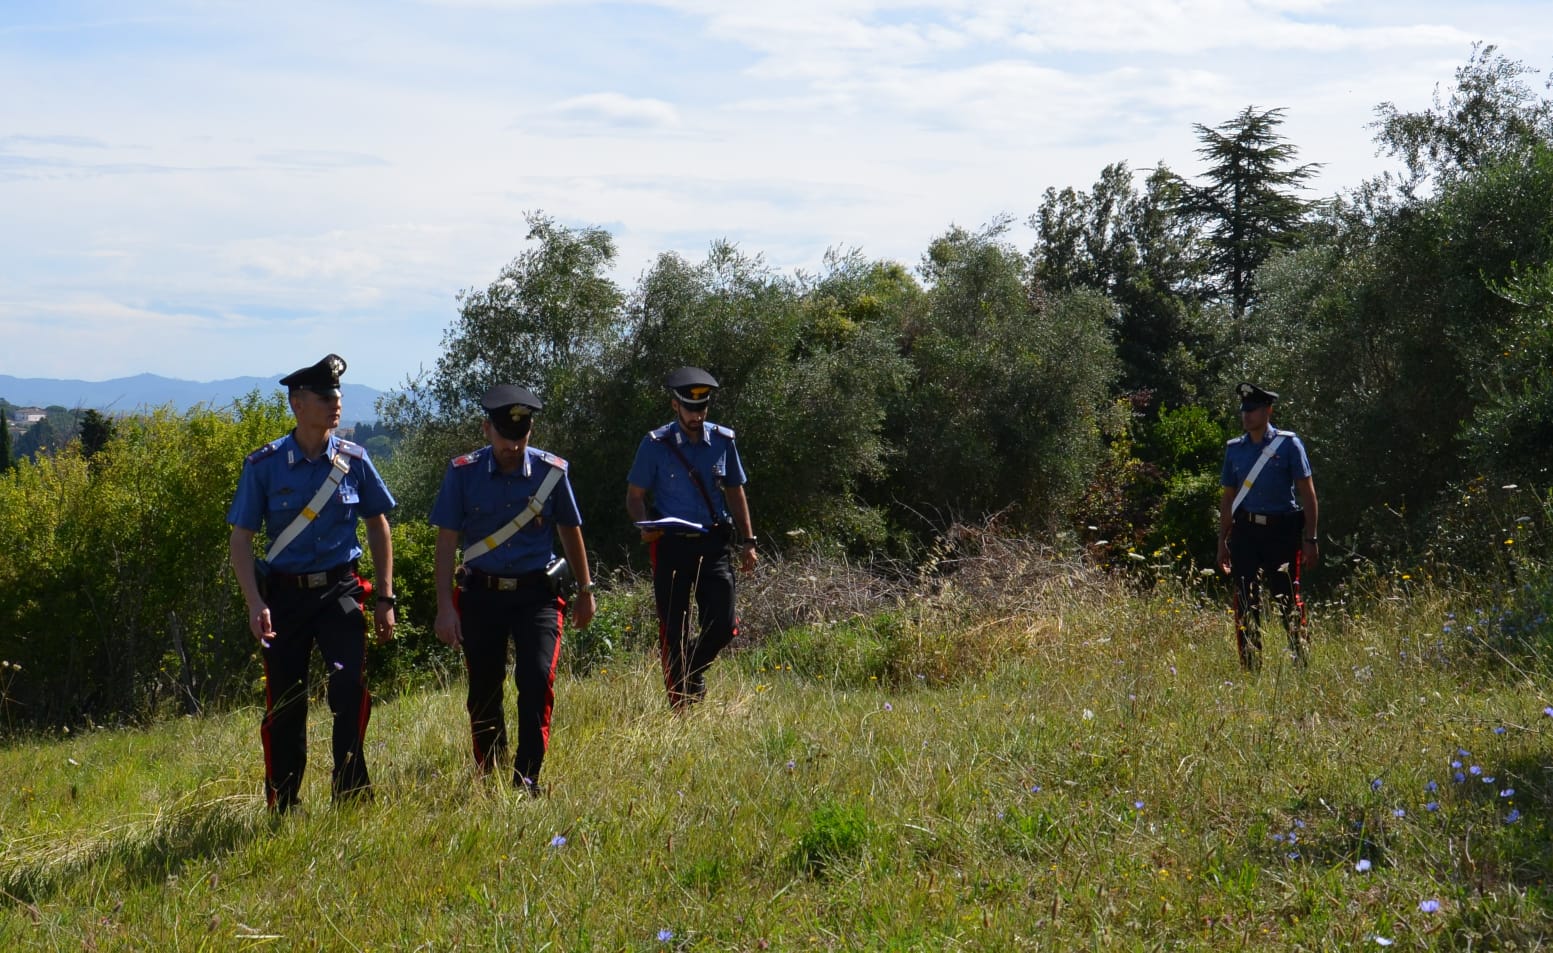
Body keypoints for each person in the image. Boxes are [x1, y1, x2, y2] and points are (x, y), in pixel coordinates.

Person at [227, 354, 397, 813]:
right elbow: (240, 540)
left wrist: (385, 596)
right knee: (285, 703)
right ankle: (284, 800)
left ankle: (350, 789)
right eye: (325, 397)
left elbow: (379, 526)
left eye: (337, 397)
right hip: (283, 596)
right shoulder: (263, 465)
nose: (335, 404)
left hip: (340, 590)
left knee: (348, 689)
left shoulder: (354, 460)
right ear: (297, 404)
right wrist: (254, 602)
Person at [430, 385, 596, 794]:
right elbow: (447, 541)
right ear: (487, 429)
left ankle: (527, 778)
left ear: (530, 431)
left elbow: (570, 529)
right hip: (480, 596)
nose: (513, 446)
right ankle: (488, 771)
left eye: (520, 438)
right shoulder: (462, 472)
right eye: (505, 437)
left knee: (537, 678)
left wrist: (586, 589)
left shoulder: (551, 472)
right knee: (484, 688)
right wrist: (443, 608)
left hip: (535, 595)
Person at [626, 367, 758, 710]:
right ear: (675, 406)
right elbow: (635, 496)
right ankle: (681, 706)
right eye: (690, 409)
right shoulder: (655, 444)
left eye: (702, 409)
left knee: (724, 624)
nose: (696, 416)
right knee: (674, 630)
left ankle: (692, 673)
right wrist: (644, 524)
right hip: (670, 545)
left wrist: (749, 540)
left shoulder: (723, 442)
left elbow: (735, 491)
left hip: (712, 545)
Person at [1217, 381, 1319, 670]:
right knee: (1245, 601)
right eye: (1244, 410)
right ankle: (1250, 669)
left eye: (1253, 409)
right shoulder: (1234, 450)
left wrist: (1310, 539)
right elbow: (1228, 499)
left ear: (1268, 411)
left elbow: (1308, 495)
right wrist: (1221, 542)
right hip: (1246, 532)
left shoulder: (1289, 445)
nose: (1247, 415)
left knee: (1288, 600)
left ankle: (1302, 663)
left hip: (1282, 533)